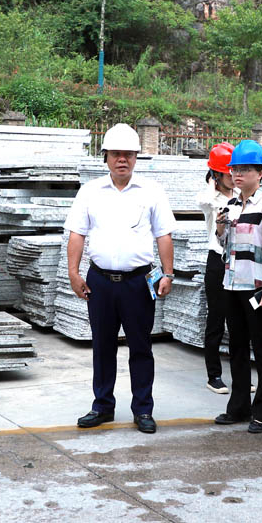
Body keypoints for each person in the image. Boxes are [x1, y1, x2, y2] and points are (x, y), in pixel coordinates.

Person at [65, 123, 176, 434]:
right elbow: (77, 234)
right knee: (102, 346)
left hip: (138, 283)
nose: (122, 160)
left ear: (136, 158)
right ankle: (102, 406)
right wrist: (74, 273)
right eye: (116, 154)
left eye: (128, 154)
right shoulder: (90, 192)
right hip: (99, 281)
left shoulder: (151, 192)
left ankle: (143, 409)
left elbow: (163, 235)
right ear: (106, 157)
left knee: (141, 347)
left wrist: (167, 273)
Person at [213, 139, 262, 434]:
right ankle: (239, 406)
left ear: (260, 172)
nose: (237, 174)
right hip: (232, 284)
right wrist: (220, 228)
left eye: (245, 169)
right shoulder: (231, 204)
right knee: (237, 348)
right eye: (234, 169)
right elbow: (224, 246)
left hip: (256, 287)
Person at [195, 142, 235, 395]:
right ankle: (214, 376)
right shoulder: (210, 198)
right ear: (217, 175)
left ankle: (240, 374)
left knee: (239, 321)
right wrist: (212, 182)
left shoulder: (244, 196)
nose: (233, 176)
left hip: (241, 264)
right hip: (217, 262)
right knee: (216, 320)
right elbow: (205, 200)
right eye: (227, 172)